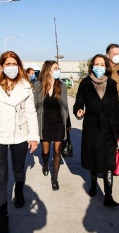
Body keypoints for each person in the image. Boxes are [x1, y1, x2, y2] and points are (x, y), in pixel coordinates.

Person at [0, 51, 39, 232]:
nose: (11, 67)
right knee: (1, 177)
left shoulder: (26, 86)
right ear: (1, 67)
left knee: (19, 170)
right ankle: (2, 217)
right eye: (7, 64)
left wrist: (33, 136)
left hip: (20, 134)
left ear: (19, 65)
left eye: (14, 63)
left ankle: (19, 190)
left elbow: (31, 113)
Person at [73, 54, 119, 207]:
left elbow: (116, 108)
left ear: (106, 67)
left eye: (102, 64)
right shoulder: (85, 83)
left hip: (109, 126)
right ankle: (94, 183)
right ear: (92, 66)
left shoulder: (112, 84)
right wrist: (78, 111)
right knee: (94, 157)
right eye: (97, 64)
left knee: (109, 161)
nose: (100, 67)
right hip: (92, 125)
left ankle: (108, 196)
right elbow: (78, 103)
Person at [34, 60, 71, 191]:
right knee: (46, 151)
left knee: (57, 151)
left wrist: (68, 124)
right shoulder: (38, 85)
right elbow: (34, 106)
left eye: (58, 68)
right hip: (44, 123)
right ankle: (45, 163)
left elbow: (65, 106)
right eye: (55, 68)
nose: (58, 70)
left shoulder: (62, 85)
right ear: (48, 70)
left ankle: (54, 178)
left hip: (58, 123)